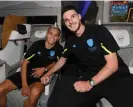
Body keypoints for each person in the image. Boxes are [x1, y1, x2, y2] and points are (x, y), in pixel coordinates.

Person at [41, 5, 133, 107]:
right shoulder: (71, 40)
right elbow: (62, 60)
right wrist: (48, 74)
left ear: (79, 17)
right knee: (68, 102)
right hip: (92, 75)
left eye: (73, 16)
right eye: (66, 20)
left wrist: (89, 84)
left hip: (115, 77)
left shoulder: (98, 31)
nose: (70, 22)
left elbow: (113, 65)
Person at [0, 25, 63, 107]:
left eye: (56, 35)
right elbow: (24, 63)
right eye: (51, 33)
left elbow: (57, 64)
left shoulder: (59, 49)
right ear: (47, 34)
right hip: (27, 72)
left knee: (35, 93)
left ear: (58, 37)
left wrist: (44, 69)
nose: (52, 37)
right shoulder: (37, 45)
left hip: (40, 77)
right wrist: (24, 85)